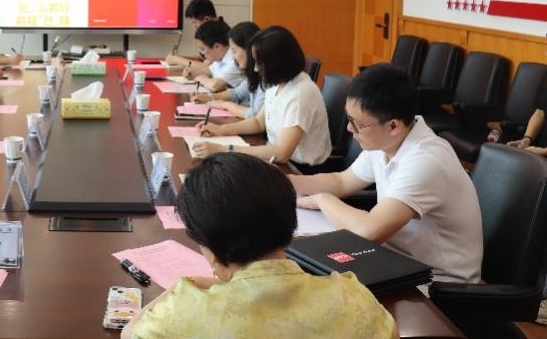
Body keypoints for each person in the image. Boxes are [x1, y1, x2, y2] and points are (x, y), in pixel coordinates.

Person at [121, 153, 396, 338]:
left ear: (211, 251)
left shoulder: (182, 312)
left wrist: (181, 286)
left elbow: (131, 333)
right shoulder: (353, 297)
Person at [290, 63, 483, 283]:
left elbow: (369, 231)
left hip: (437, 284)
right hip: (395, 262)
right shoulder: (386, 141)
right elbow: (341, 182)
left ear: (393, 126)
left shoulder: (426, 160)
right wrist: (283, 181)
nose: (349, 129)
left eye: (356, 124)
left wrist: (322, 199)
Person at [194, 26, 331, 168]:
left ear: (277, 63)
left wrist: (224, 149)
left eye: (259, 63)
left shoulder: (301, 93)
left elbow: (282, 153)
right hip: (275, 157)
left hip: (298, 169)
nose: (255, 69)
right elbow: (258, 122)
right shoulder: (277, 83)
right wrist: (220, 129)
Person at [189, 22, 263, 113]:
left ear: (249, 50)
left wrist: (225, 105)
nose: (233, 56)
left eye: (234, 51)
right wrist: (209, 97)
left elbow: (255, 115)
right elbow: (236, 94)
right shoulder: (252, 75)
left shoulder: (265, 79)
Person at [182, 20, 244, 92]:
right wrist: (192, 72)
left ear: (217, 47)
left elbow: (215, 86)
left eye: (203, 49)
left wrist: (202, 79)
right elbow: (209, 71)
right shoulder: (220, 57)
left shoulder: (235, 60)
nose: (202, 54)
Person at [165, 0, 218, 70]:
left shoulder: (219, 34)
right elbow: (203, 58)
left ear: (206, 19)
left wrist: (177, 60)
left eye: (195, 22)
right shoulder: (212, 30)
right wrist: (180, 57)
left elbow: (207, 67)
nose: (195, 26)